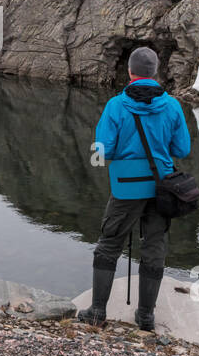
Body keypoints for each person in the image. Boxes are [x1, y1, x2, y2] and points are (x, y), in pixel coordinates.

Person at [78, 46, 191, 331]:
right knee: (154, 248)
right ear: (155, 72)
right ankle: (145, 317)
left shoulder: (116, 105)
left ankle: (97, 313)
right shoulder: (173, 105)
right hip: (162, 188)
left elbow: (103, 150)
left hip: (126, 189)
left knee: (109, 244)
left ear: (130, 72)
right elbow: (182, 148)